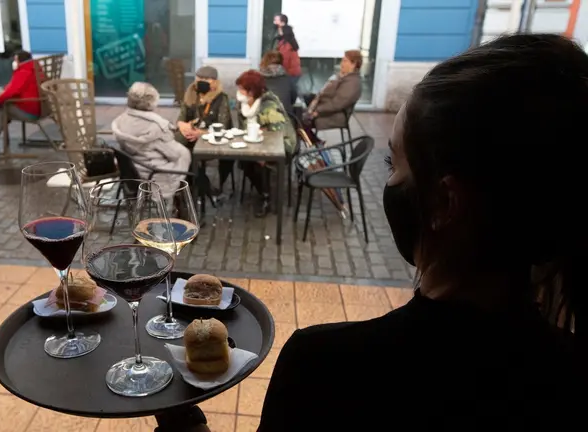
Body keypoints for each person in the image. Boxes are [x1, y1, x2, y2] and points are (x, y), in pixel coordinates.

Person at [257, 34, 588, 430]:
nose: (390, 180)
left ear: (445, 203)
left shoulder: (327, 365)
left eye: (393, 161)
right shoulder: (571, 374)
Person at [112, 82, 191, 197]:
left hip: (132, 173)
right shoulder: (156, 128)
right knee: (185, 157)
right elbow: (173, 155)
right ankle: (181, 202)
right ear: (152, 102)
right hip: (154, 175)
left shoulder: (120, 120)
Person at [235, 70, 296, 217]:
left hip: (282, 146)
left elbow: (277, 136)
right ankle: (263, 190)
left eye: (242, 89)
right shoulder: (244, 104)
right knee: (244, 161)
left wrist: (262, 153)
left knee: (261, 163)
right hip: (255, 142)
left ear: (252, 91)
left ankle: (269, 198)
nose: (239, 92)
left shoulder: (269, 106)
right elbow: (244, 127)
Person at [174, 66, 233, 192]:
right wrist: (183, 126)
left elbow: (223, 126)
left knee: (187, 155)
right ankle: (192, 185)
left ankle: (202, 187)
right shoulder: (190, 93)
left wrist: (200, 133)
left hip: (212, 138)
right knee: (178, 149)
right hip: (191, 135)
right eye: (199, 77)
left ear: (215, 81)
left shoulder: (221, 98)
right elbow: (181, 118)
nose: (202, 81)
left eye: (207, 79)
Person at [0, 51, 41, 150]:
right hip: (36, 107)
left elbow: (12, 91)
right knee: (3, 111)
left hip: (29, 111)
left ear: (19, 61)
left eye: (15, 60)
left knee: (3, 109)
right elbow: (13, 87)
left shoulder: (23, 72)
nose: (14, 62)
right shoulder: (34, 69)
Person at [304, 49, 362, 134]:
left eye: (345, 61)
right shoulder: (343, 76)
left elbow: (336, 104)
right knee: (299, 109)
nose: (341, 64)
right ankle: (314, 141)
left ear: (353, 64)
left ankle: (316, 142)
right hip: (328, 109)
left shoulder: (353, 83)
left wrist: (317, 110)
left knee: (298, 122)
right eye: (342, 60)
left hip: (335, 116)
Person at [273, 15, 301, 88]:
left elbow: (284, 60)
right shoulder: (286, 41)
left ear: (282, 23)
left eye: (276, 20)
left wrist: (277, 72)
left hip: (290, 74)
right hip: (293, 73)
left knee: (287, 92)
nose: (274, 22)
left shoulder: (286, 44)